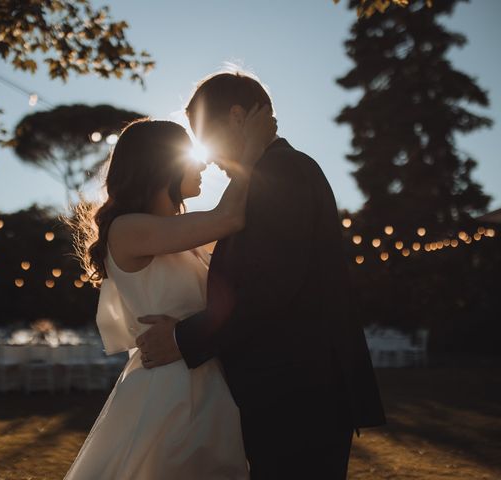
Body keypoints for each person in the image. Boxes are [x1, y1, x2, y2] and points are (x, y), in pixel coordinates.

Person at [136, 71, 387, 479]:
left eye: (207, 136)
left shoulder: (282, 173)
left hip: (298, 395)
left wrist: (183, 339)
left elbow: (269, 287)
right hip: (290, 391)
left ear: (236, 116)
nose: (207, 154)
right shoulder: (263, 175)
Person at [63, 106, 277, 479]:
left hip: (207, 378)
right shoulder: (127, 230)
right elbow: (229, 218)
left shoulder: (180, 234)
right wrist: (253, 151)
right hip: (172, 390)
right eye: (191, 157)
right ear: (163, 165)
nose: (203, 166)